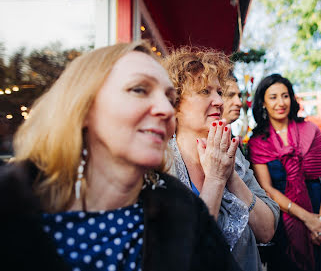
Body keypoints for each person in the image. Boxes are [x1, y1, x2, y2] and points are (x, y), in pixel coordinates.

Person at [0, 41, 242, 271]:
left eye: (170, 99)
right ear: (83, 108)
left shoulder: (182, 210)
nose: (166, 109)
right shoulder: (12, 200)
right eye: (139, 89)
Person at [164, 47, 280, 271]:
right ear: (175, 103)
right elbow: (185, 249)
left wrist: (231, 176)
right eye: (205, 92)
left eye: (219, 91)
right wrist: (216, 179)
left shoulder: (232, 152)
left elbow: (267, 230)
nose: (218, 101)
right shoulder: (160, 162)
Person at [249, 74, 321, 271]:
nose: (281, 102)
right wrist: (307, 219)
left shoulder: (310, 130)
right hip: (284, 220)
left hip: (320, 213)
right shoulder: (257, 142)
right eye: (273, 97)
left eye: (285, 96)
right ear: (263, 103)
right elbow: (267, 188)